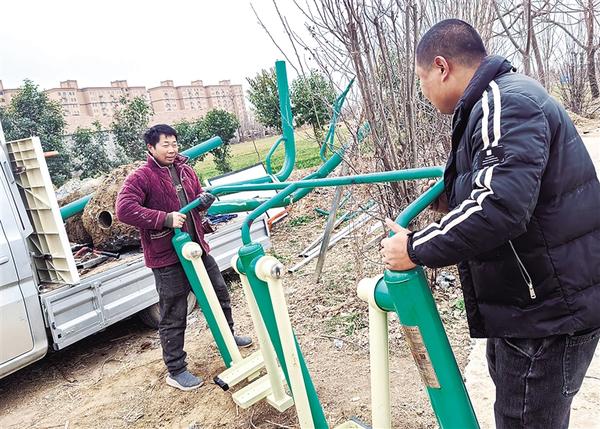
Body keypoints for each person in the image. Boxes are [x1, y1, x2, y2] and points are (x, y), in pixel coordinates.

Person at [380, 19, 600, 428]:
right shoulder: (493, 102)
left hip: (546, 315)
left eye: (421, 79)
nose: (423, 92)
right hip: (534, 305)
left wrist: (414, 248)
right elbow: (509, 182)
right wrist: (450, 196)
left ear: (442, 67)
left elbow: (500, 205)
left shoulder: (505, 103)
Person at [116, 124, 252, 392]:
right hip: (167, 256)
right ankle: (176, 370)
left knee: (219, 294)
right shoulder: (142, 177)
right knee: (174, 312)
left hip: (196, 247)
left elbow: (196, 198)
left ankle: (228, 336)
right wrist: (164, 218)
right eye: (165, 144)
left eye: (174, 143)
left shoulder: (185, 170)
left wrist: (203, 201)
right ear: (151, 148)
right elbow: (124, 209)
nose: (171, 149)